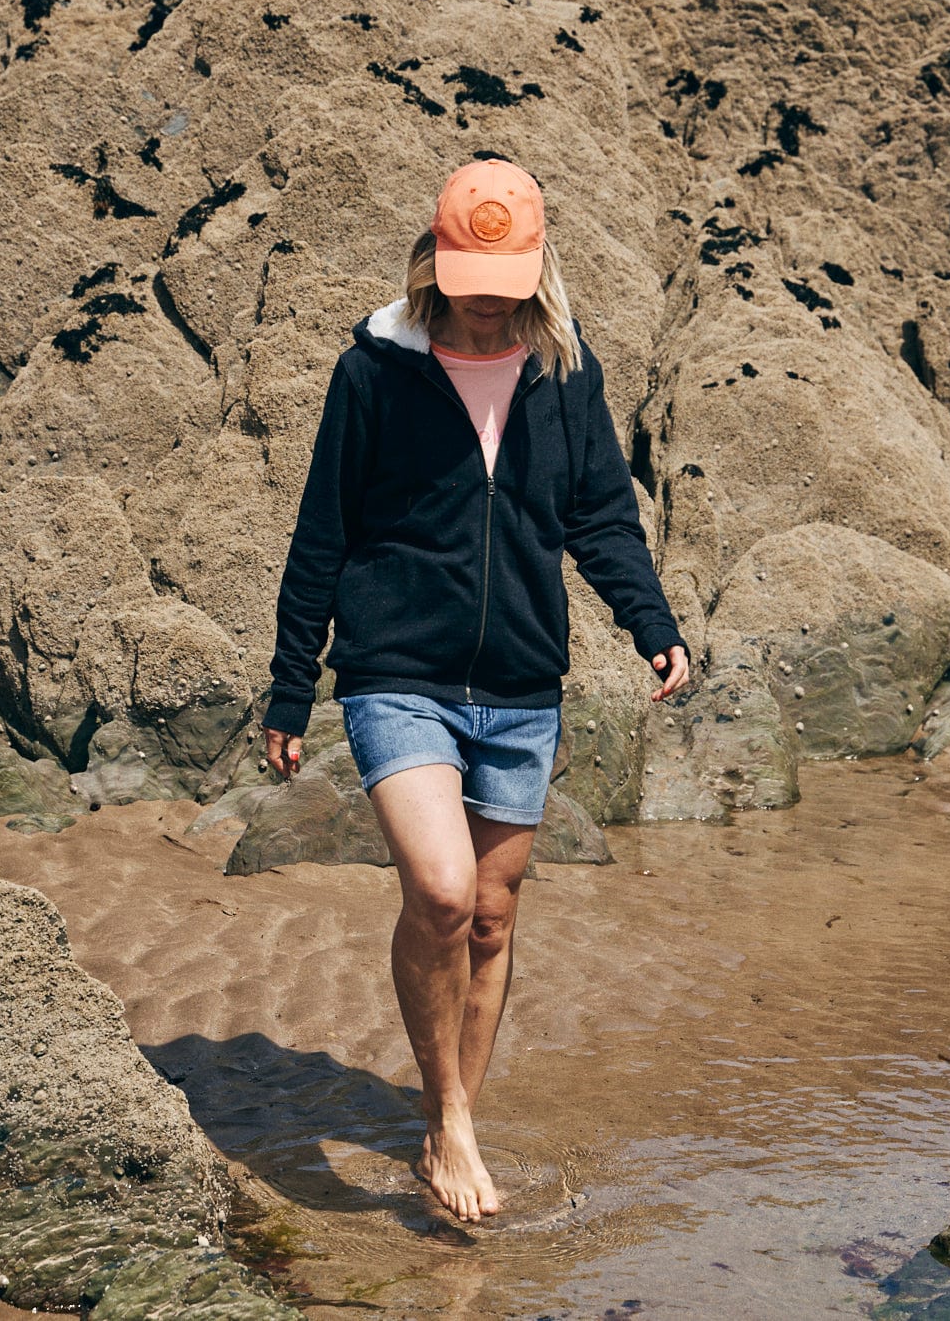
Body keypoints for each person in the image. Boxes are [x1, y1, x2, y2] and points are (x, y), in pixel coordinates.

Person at [261, 159, 690, 1224]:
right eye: (466, 274)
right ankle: (450, 1122)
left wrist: (652, 624)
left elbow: (598, 516)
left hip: (520, 684)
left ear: (535, 267)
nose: (483, 297)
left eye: (502, 275)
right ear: (435, 263)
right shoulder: (373, 372)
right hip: (395, 671)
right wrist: (287, 686)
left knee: (493, 919)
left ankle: (455, 1126)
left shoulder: (566, 369)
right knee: (444, 893)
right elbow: (324, 530)